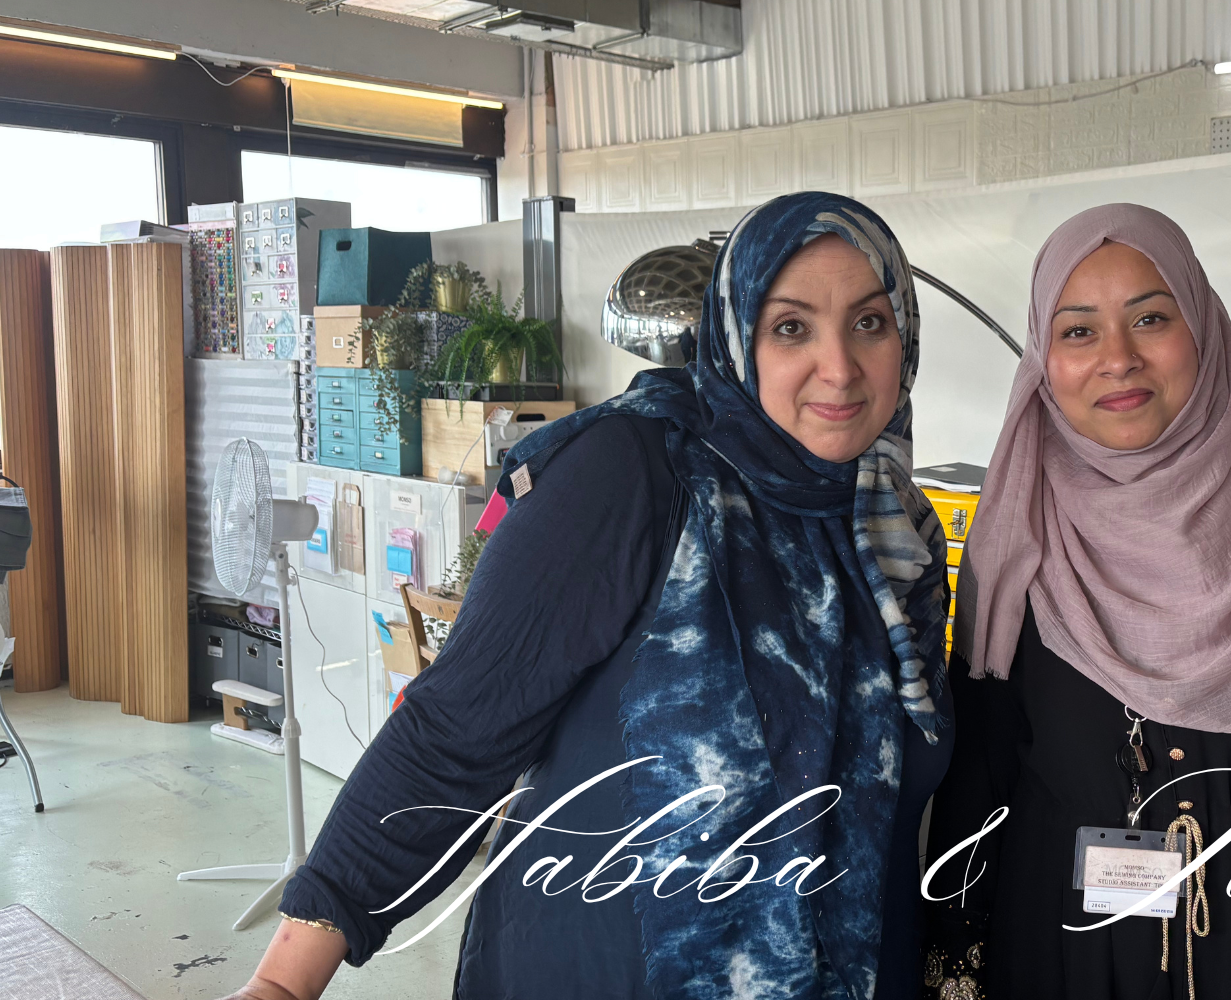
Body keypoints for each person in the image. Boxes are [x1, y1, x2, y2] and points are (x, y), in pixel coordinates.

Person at [220, 191, 954, 1000]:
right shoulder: (635, 472)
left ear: (905, 336)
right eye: (791, 328)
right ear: (735, 334)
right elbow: (454, 730)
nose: (840, 367)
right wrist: (284, 982)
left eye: (869, 322)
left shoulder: (898, 535)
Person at [922, 204, 1231, 1000]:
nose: (1118, 359)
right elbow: (980, 772)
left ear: (1202, 324)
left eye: (1150, 318)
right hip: (1054, 946)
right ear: (1043, 358)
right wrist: (955, 960)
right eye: (1078, 331)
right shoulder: (1020, 519)